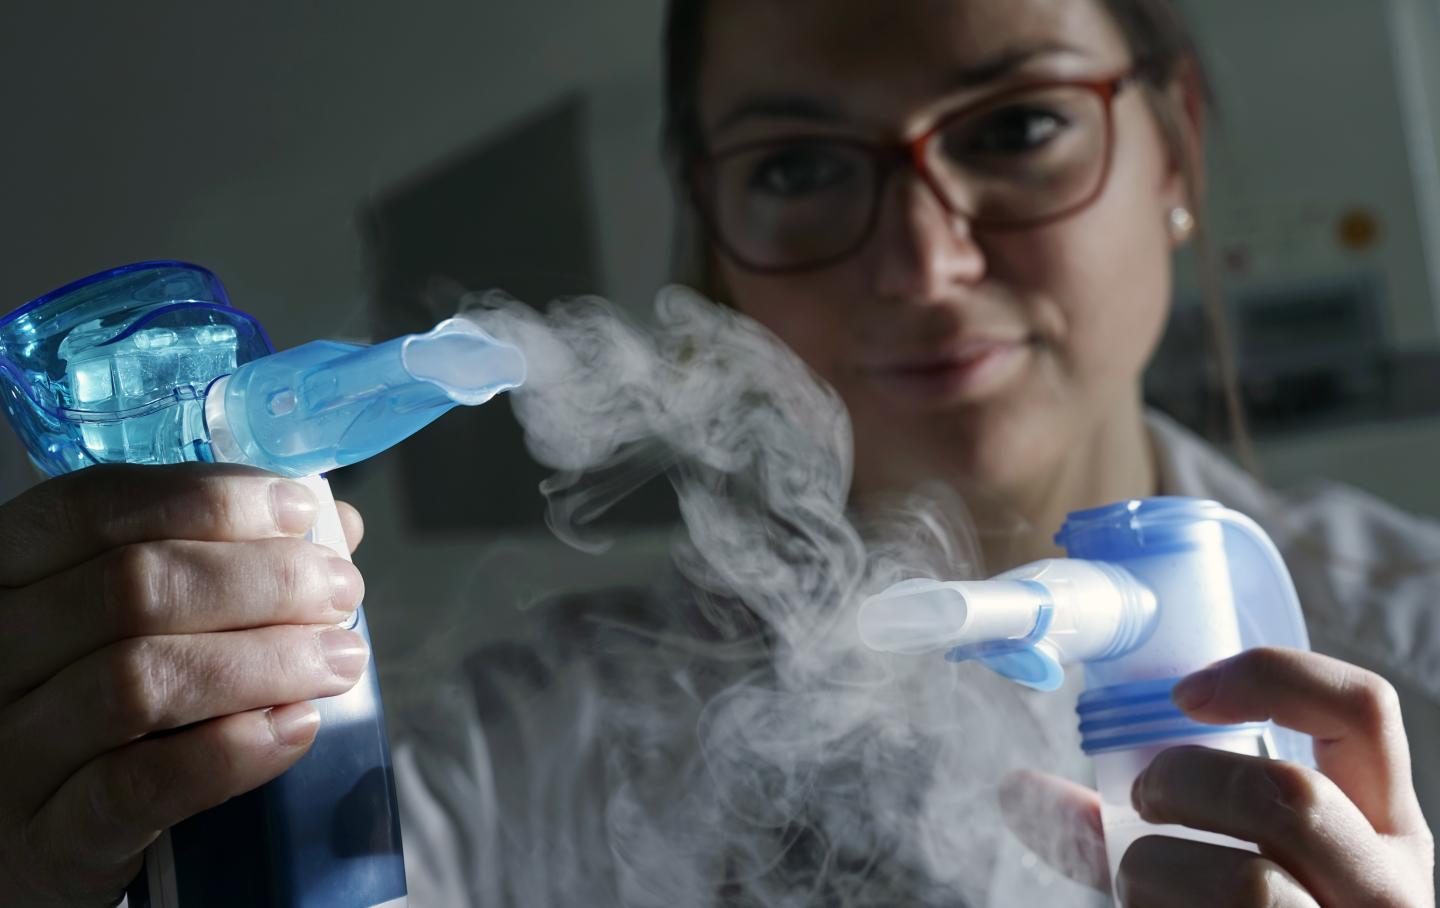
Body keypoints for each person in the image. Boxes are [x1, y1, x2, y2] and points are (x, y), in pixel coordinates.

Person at [0, 1, 1433, 907]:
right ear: (709, 222)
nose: (923, 259)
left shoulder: (1416, 643)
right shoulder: (537, 752)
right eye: (799, 165)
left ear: (1177, 148)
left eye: (1019, 126)